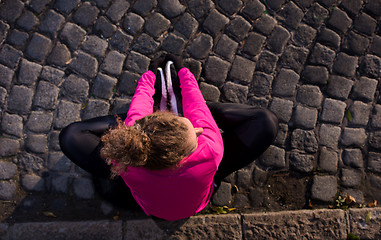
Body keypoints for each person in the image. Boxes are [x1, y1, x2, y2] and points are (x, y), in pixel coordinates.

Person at [59, 54, 278, 221]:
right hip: (197, 198)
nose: (197, 130)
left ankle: (157, 114)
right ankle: (172, 107)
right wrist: (184, 72)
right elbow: (200, 111)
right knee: (266, 123)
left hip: (148, 200)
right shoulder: (211, 151)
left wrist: (150, 75)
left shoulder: (126, 161)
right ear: (187, 151)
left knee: (71, 136)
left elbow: (136, 116)